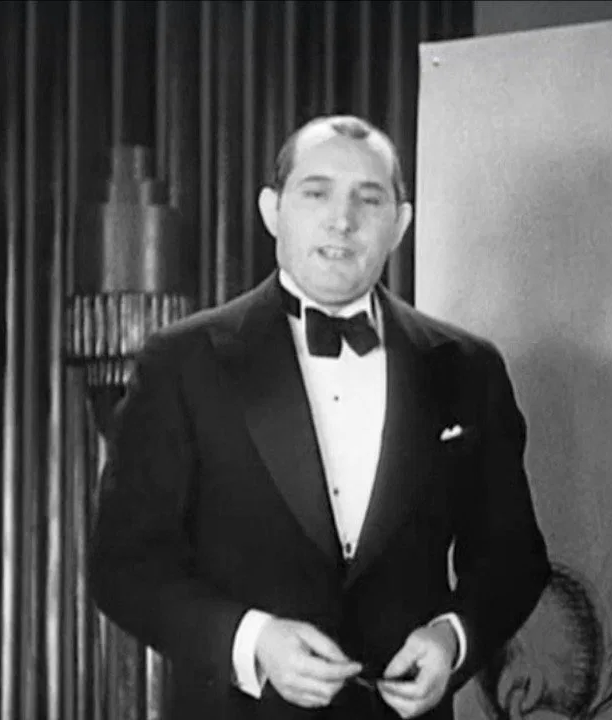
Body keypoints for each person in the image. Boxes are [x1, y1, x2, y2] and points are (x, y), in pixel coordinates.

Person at [88, 114, 552, 719]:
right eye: (316, 193)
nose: (342, 220)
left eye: (369, 199)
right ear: (272, 211)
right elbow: (122, 565)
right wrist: (253, 641)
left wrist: (452, 639)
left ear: (400, 223)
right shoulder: (182, 362)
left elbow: (513, 557)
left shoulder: (468, 367)